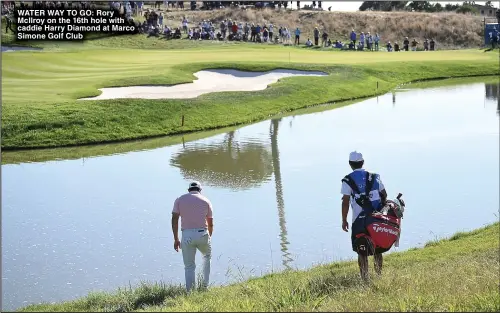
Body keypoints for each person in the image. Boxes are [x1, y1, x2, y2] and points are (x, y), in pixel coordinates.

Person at [341, 151, 387, 281]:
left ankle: (365, 279)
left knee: (361, 250)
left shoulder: (348, 180)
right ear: (363, 162)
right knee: (377, 248)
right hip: (376, 217)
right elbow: (384, 193)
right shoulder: (375, 177)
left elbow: (345, 202)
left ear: (350, 164)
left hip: (358, 221)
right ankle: (378, 276)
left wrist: (344, 220)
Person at [171, 181, 214, 292]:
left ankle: (190, 292)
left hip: (187, 235)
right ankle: (204, 288)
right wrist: (209, 236)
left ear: (189, 190)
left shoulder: (179, 199)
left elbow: (175, 219)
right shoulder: (206, 200)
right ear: (200, 190)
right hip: (203, 233)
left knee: (189, 266)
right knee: (206, 259)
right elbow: (210, 223)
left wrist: (176, 239)